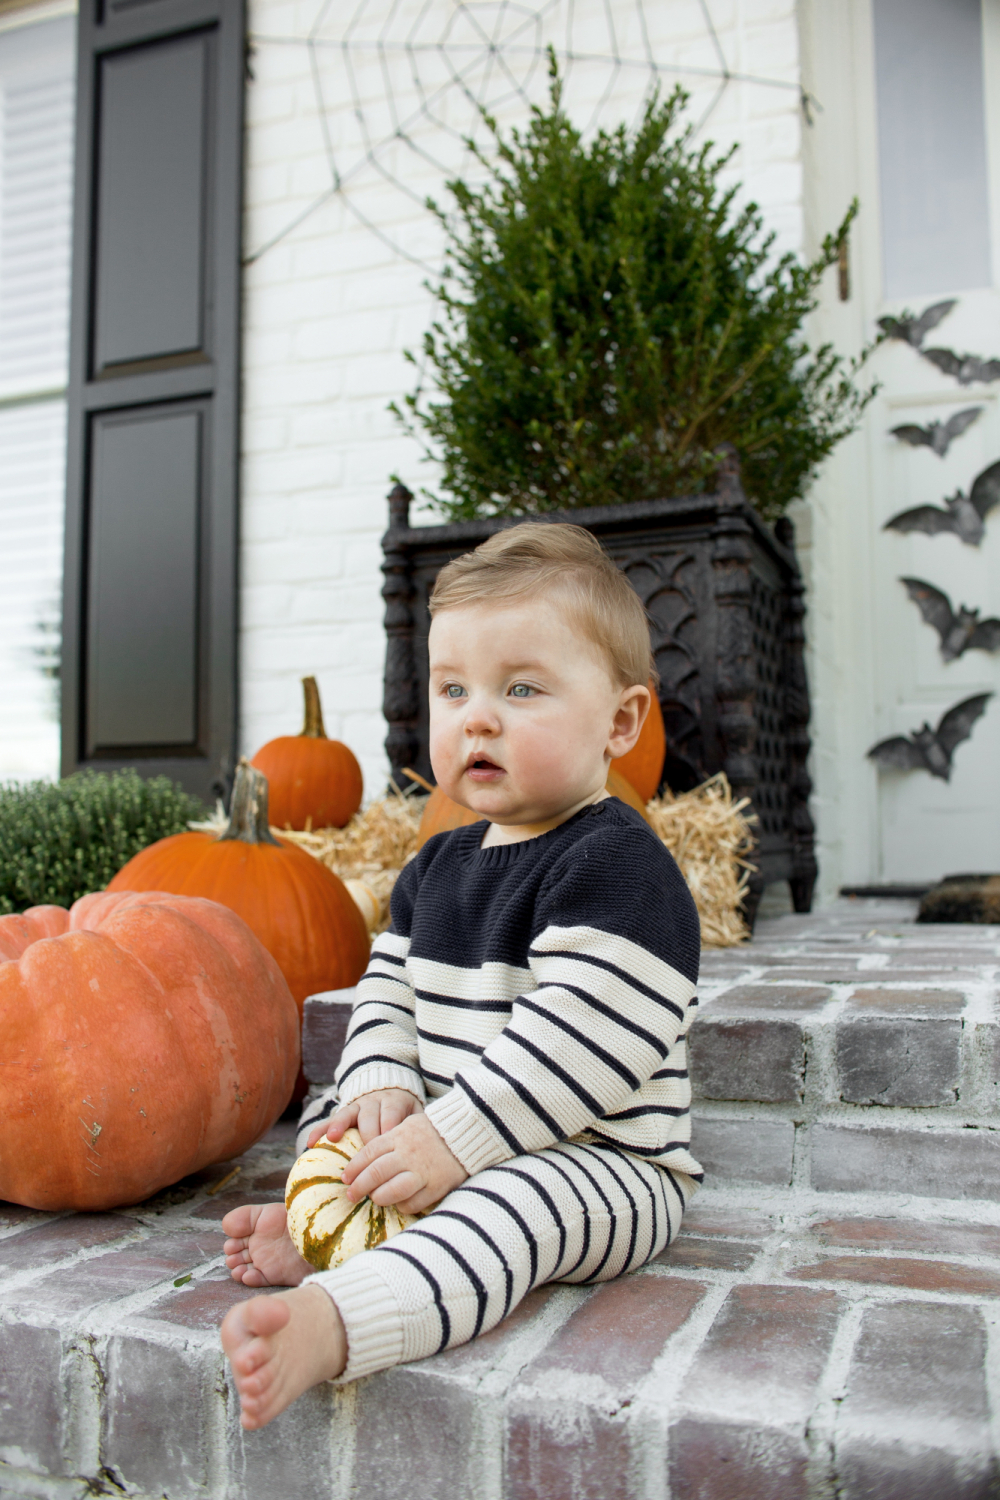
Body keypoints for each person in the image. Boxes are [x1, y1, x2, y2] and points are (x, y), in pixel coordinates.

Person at [219, 521, 702, 1428]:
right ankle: (338, 1226)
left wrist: (456, 1140)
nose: (477, 715)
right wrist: (381, 1086)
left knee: (516, 1206)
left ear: (622, 722)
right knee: (342, 1117)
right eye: (454, 689)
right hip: (451, 1135)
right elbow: (387, 998)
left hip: (601, 1162)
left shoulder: (621, 867)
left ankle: (339, 1321)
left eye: (521, 688)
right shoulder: (435, 866)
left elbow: (584, 1039)